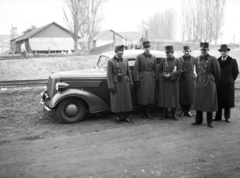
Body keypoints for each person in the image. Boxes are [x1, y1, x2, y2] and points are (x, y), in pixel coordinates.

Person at [192, 42, 221, 128]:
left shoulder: (213, 59)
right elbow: (197, 71)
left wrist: (211, 80)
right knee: (199, 101)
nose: (203, 51)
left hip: (209, 83)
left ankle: (209, 121)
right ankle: (198, 120)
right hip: (200, 82)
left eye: (205, 50)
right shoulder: (197, 59)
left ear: (208, 50)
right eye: (201, 50)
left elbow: (217, 73)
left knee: (209, 102)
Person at [107, 45, 134, 124]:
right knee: (117, 100)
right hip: (116, 82)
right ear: (116, 52)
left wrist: (131, 83)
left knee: (126, 100)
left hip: (125, 82)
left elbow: (129, 72)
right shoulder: (110, 61)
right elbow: (109, 75)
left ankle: (127, 116)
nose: (121, 53)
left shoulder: (125, 60)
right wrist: (111, 86)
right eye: (119, 52)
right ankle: (118, 116)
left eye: (122, 52)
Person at [214, 44, 239, 123]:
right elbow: (215, 72)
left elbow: (235, 73)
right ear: (220, 52)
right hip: (219, 84)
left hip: (228, 84)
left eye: (225, 51)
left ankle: (227, 117)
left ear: (228, 52)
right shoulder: (217, 61)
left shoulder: (233, 61)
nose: (223, 53)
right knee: (219, 100)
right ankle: (218, 117)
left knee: (227, 101)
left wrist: (231, 80)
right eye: (222, 51)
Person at [133, 40, 157, 120]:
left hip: (151, 78)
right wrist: (136, 80)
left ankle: (148, 112)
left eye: (148, 47)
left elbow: (155, 69)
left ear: (150, 48)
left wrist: (156, 80)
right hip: (142, 78)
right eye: (146, 47)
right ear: (143, 48)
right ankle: (142, 112)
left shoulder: (153, 57)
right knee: (143, 96)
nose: (147, 49)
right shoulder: (139, 57)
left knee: (150, 95)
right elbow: (135, 69)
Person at [158, 46, 182, 120]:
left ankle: (173, 114)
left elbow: (180, 71)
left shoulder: (177, 61)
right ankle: (164, 113)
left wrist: (170, 75)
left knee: (173, 98)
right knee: (165, 98)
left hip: (173, 81)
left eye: (169, 52)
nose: (167, 54)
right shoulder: (163, 60)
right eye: (166, 52)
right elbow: (159, 71)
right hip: (165, 82)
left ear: (172, 52)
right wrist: (163, 75)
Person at [179, 45, 196, 117]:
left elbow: (196, 68)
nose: (186, 52)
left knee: (190, 94)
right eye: (185, 51)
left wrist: (195, 75)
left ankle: (188, 110)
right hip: (182, 78)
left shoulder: (194, 59)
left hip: (190, 78)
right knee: (183, 95)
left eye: (188, 51)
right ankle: (183, 111)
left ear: (190, 51)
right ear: (183, 51)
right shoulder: (180, 59)